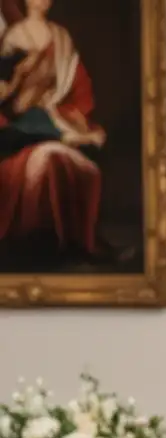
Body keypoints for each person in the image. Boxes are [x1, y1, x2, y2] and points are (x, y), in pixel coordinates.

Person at [0, 0, 105, 262]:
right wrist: (20, 76)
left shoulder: (61, 37)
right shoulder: (14, 36)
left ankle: (81, 243)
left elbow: (79, 91)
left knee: (86, 160)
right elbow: (7, 92)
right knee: (39, 126)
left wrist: (74, 119)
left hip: (55, 116)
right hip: (22, 122)